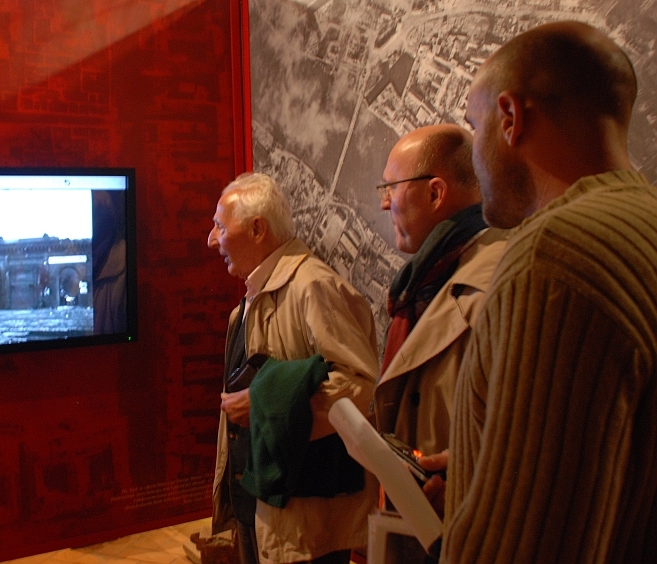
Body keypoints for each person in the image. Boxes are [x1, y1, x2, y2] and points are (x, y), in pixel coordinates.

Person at [440, 20, 657, 563]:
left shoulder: (555, 258)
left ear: (510, 118)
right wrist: (481, 469)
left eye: (475, 126)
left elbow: (527, 547)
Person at [208, 172, 380, 564]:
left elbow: (360, 384)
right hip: (262, 506)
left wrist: (264, 403)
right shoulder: (248, 305)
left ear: (257, 229)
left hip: (305, 521)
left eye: (220, 226)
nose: (212, 239)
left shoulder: (314, 287)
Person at [372, 124, 507, 561]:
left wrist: (471, 479)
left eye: (391, 186)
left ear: (435, 194)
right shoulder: (423, 284)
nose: (383, 202)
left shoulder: (501, 286)